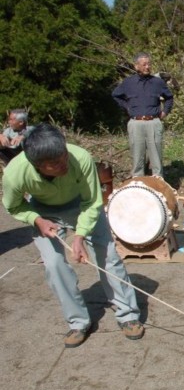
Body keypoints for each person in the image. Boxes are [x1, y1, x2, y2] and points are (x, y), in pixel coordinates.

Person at [2, 124, 143, 348]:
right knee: (54, 265)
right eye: (56, 164)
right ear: (38, 165)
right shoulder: (15, 174)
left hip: (82, 206)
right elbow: (13, 207)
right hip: (43, 212)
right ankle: (78, 321)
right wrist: (36, 220)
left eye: (64, 156)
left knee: (108, 257)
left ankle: (128, 315)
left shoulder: (80, 157)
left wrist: (79, 236)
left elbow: (93, 201)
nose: (65, 163)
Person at [112, 52, 174, 177]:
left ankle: (158, 185)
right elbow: (115, 95)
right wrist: (127, 107)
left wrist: (165, 112)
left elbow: (169, 97)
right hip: (135, 123)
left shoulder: (158, 82)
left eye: (149, 64)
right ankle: (138, 184)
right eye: (144, 64)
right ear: (136, 66)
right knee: (137, 157)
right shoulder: (128, 82)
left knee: (156, 157)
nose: (147, 67)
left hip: (153, 122)